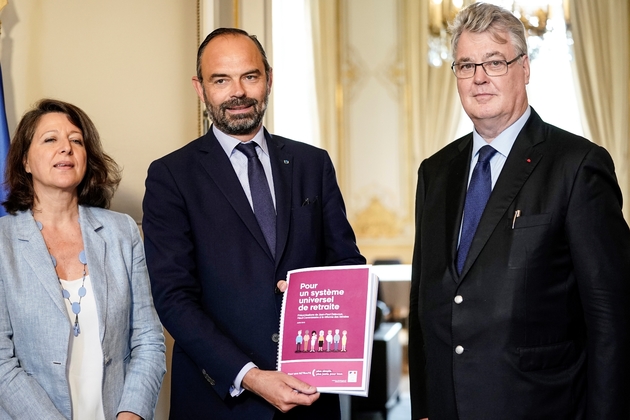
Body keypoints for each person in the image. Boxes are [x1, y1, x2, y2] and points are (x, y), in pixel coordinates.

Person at [408, 3, 630, 419]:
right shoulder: (434, 171)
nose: (479, 78)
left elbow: (612, 320)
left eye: (494, 62)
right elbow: (425, 303)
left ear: (524, 67)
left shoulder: (576, 164)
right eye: (465, 65)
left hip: (540, 406)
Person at [142, 27, 365, 419]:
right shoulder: (171, 176)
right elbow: (174, 298)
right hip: (219, 402)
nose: (238, 92)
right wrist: (250, 376)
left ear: (269, 79)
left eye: (250, 76)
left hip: (310, 397)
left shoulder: (313, 164)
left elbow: (346, 268)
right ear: (200, 88)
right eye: (221, 79)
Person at [0, 99, 166, 419]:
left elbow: (148, 341)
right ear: (25, 161)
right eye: (51, 139)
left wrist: (130, 413)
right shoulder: (4, 242)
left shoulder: (122, 232)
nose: (66, 148)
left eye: (76, 140)